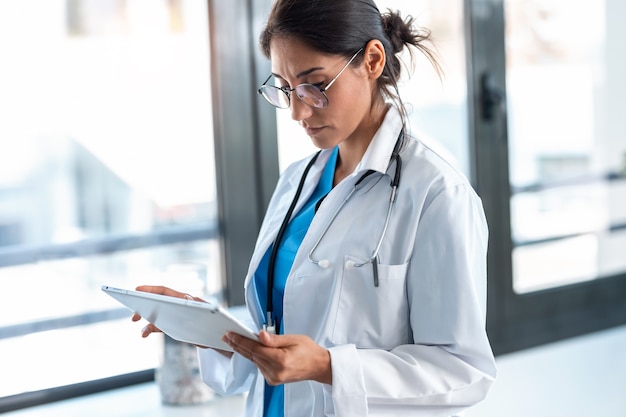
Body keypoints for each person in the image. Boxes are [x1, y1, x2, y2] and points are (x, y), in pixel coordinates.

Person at [133, 0, 497, 416]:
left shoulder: (436, 194)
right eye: (285, 89)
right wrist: (207, 329)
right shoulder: (297, 181)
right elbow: (284, 332)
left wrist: (327, 367)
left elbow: (463, 371)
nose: (297, 111)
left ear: (373, 60)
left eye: (315, 85)